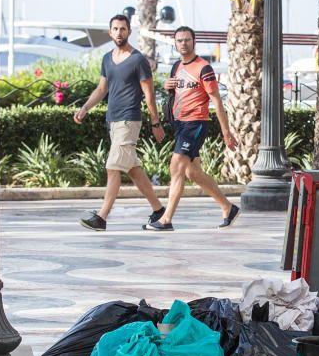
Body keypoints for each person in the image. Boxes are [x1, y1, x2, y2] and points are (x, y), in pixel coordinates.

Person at [74, 14, 166, 231]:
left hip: (129, 120)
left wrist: (156, 122)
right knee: (133, 169)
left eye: (123, 29)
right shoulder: (107, 58)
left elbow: (149, 94)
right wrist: (85, 108)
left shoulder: (138, 60)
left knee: (112, 167)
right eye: (115, 29)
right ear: (110, 32)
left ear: (129, 32)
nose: (119, 32)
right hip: (113, 121)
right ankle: (159, 210)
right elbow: (101, 89)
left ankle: (102, 217)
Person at [144, 26, 240, 231]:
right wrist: (167, 86)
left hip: (196, 124)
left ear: (193, 41)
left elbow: (217, 101)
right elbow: (176, 94)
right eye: (179, 41)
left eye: (187, 40)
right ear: (176, 43)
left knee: (176, 166)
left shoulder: (204, 68)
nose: (183, 44)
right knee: (193, 173)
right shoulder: (177, 66)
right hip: (180, 124)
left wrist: (226, 132)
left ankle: (166, 219)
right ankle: (228, 207)